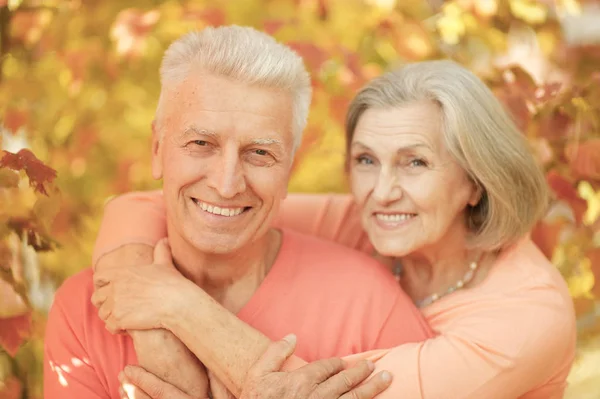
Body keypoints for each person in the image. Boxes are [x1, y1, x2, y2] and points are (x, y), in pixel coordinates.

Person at [92, 59, 577, 399]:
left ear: (475, 181)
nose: (382, 191)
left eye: (415, 162)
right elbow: (149, 204)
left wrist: (179, 306)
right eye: (367, 160)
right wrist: (145, 311)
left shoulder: (527, 316)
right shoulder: (371, 222)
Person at [43, 26, 434, 399]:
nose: (227, 184)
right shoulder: (87, 310)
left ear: (289, 171)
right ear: (157, 150)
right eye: (201, 143)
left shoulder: (368, 306)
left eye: (260, 153)